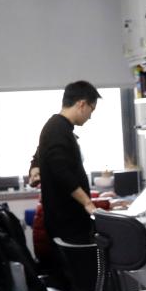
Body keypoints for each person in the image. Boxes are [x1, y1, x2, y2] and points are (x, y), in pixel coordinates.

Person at [32, 81, 100, 280]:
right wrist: (87, 202)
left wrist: (35, 168)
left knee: (80, 278)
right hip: (68, 222)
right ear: (81, 104)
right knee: (83, 280)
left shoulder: (57, 127)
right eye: (91, 109)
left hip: (64, 221)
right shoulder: (57, 129)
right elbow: (62, 172)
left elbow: (41, 153)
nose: (90, 116)